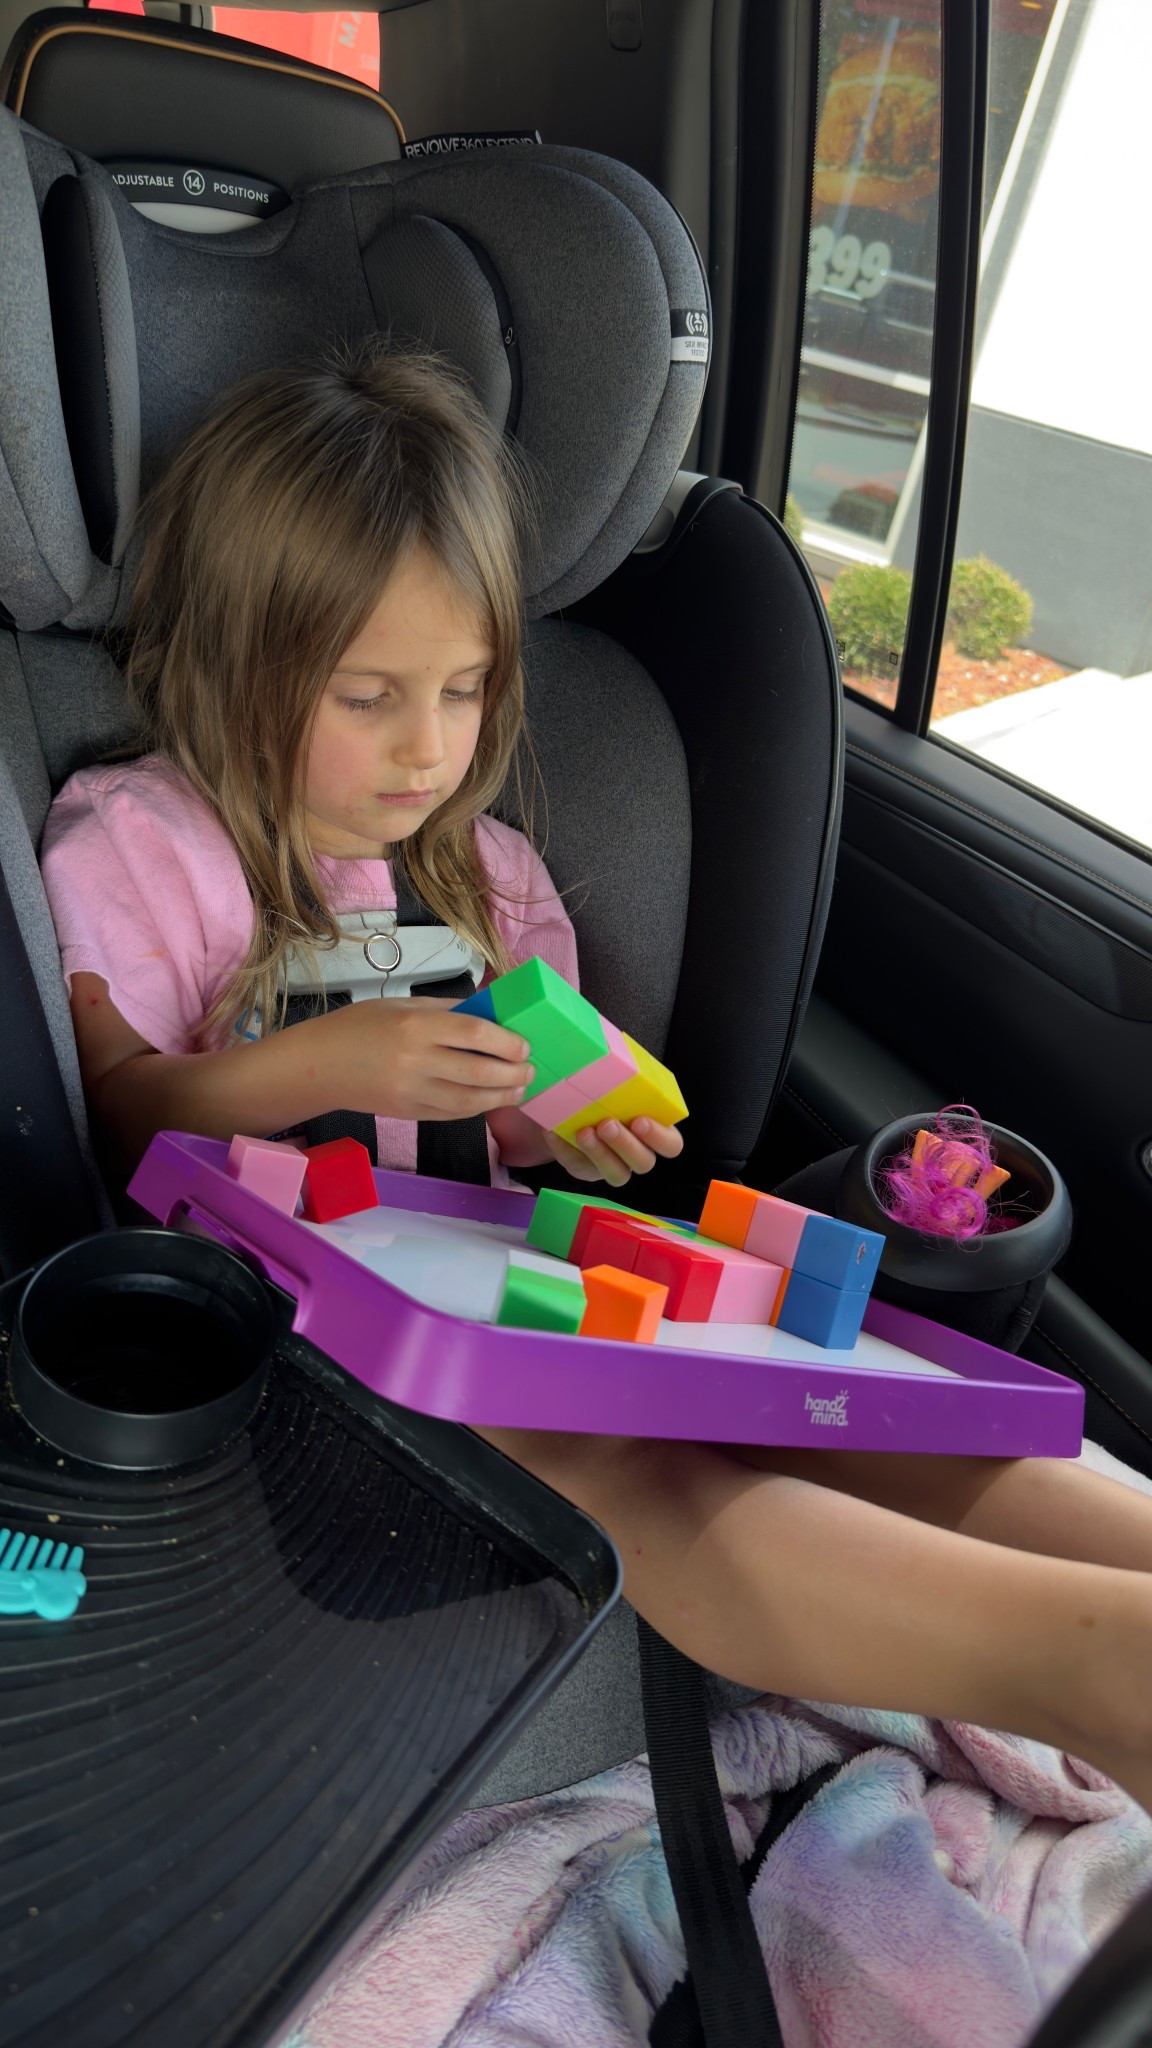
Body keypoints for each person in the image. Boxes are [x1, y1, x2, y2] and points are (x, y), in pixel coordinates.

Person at [42, 348, 1152, 1818]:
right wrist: (312, 1066)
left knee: (814, 1404)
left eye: (464, 688)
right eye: (367, 695)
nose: (429, 748)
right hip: (303, 1350)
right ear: (226, 655)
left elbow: (515, 1137)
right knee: (648, 1474)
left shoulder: (488, 881)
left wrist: (574, 1112)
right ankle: (1096, 1666)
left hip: (499, 1288)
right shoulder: (140, 844)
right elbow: (112, 1111)